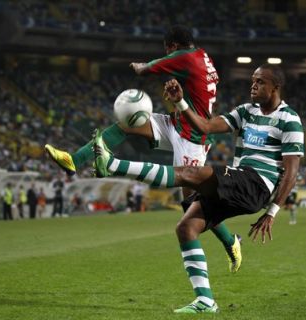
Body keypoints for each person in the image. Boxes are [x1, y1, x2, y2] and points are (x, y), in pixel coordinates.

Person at [92, 64, 304, 313]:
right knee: (186, 227)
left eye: (260, 82)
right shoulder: (247, 112)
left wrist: (272, 212)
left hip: (257, 184)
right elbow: (205, 127)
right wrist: (181, 103)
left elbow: (291, 172)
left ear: (275, 87)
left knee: (189, 173)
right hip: (239, 183)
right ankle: (205, 300)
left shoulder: (289, 120)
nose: (253, 86)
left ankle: (112, 165)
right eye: (252, 81)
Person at [44, 25, 241, 272]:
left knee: (192, 203)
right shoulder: (202, 56)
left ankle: (230, 240)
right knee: (127, 124)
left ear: (172, 46)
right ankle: (74, 160)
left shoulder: (186, 57)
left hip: (192, 136)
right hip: (176, 123)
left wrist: (140, 66)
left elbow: (148, 68)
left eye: (167, 50)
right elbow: (193, 85)